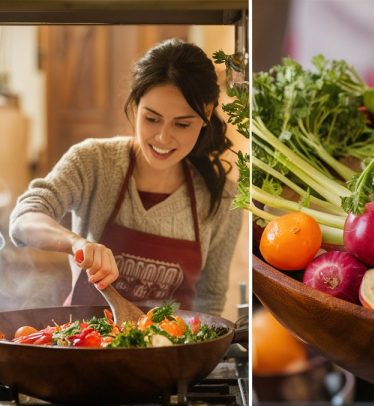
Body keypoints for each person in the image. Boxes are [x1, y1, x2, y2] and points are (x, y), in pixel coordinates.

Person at [9, 39, 242, 316]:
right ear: (135, 105)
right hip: (86, 344)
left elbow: (210, 304)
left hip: (171, 352)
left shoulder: (222, 197)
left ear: (205, 114)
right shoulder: (94, 160)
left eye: (182, 124)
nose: (163, 138)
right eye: (151, 119)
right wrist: (76, 243)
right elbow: (24, 218)